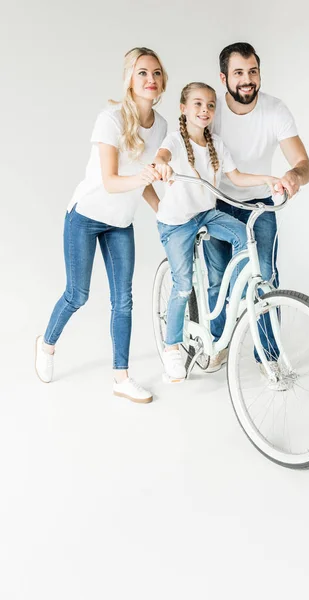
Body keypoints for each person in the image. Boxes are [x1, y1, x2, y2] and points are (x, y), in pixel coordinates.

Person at [35, 47, 168, 403]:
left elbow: (147, 183)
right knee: (77, 294)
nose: (150, 79)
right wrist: (142, 176)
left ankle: (121, 377)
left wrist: (163, 210)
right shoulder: (110, 119)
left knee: (123, 300)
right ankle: (46, 345)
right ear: (129, 79)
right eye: (142, 73)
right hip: (85, 217)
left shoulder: (162, 127)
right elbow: (110, 181)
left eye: (156, 73)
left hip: (120, 223)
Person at [153, 82, 283, 383]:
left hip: (205, 215)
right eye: (198, 104)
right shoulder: (174, 141)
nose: (205, 110)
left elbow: (236, 176)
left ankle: (236, 294)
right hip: (177, 223)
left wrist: (268, 178)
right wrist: (161, 166)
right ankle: (173, 349)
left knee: (243, 234)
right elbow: (161, 156)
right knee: (183, 284)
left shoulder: (216, 144)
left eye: (211, 105)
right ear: (183, 109)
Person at [203, 42, 309, 372]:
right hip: (217, 203)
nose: (247, 79)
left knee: (265, 279)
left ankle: (268, 356)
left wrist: (295, 175)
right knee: (216, 278)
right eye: (238, 73)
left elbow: (304, 164)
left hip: (258, 206)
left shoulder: (275, 110)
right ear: (224, 78)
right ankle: (217, 344)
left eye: (253, 71)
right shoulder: (212, 112)